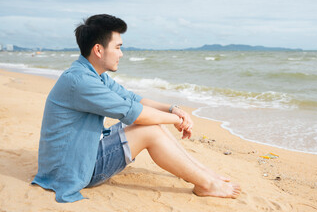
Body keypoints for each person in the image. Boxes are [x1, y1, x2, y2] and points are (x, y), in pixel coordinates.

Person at [31, 14, 241, 203]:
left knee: (154, 121)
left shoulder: (94, 75)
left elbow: (132, 99)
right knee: (149, 128)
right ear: (98, 49)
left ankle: (204, 174)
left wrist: (172, 109)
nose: (121, 54)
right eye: (118, 47)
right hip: (72, 169)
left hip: (79, 153)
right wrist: (178, 121)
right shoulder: (80, 81)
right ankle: (206, 185)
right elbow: (134, 113)